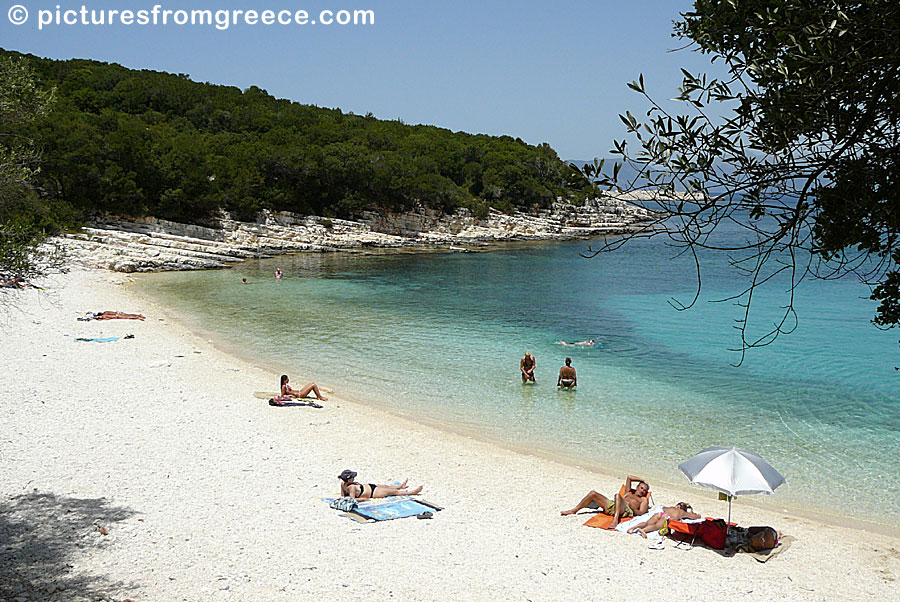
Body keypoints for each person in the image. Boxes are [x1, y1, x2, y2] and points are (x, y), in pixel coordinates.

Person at [561, 475, 651, 528]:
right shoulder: (629, 492)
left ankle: (615, 520)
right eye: (641, 488)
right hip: (614, 505)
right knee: (593, 493)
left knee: (617, 496)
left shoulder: (643, 500)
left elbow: (641, 513)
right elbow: (629, 477)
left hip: (625, 510)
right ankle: (574, 510)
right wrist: (642, 480)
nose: (642, 491)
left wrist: (633, 508)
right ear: (637, 487)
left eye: (645, 490)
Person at [626, 502, 700, 538]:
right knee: (655, 526)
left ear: (678, 505)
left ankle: (633, 528)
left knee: (646, 523)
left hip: (660, 514)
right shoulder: (683, 512)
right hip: (666, 518)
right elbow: (696, 517)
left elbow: (662, 508)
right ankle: (643, 531)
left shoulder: (669, 507)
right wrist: (692, 512)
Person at [338, 469, 423, 499]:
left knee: (386, 486)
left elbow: (343, 496)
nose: (354, 478)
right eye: (352, 477)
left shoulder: (343, 484)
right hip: (373, 493)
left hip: (369, 486)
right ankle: (411, 492)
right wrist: (363, 499)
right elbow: (352, 499)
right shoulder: (352, 487)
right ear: (349, 480)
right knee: (394, 492)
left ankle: (400, 486)